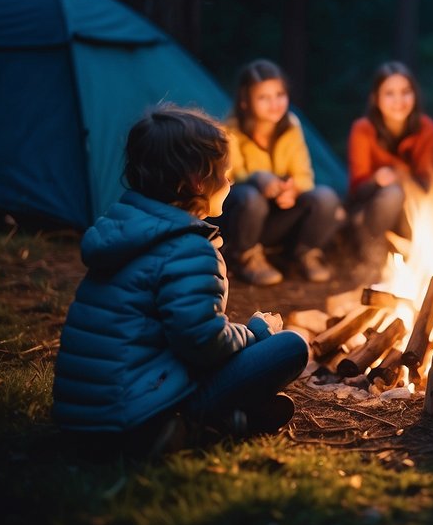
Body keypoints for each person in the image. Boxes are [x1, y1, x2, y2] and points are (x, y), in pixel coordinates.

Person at [52, 106, 309, 459]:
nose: (232, 183)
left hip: (81, 413)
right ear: (198, 182)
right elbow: (202, 344)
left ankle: (230, 421)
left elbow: (181, 334)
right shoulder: (187, 248)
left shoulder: (126, 230)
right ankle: (192, 427)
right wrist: (255, 332)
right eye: (227, 174)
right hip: (133, 415)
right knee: (291, 347)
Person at [217, 59, 342, 285]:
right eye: (264, 97)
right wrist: (257, 179)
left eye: (279, 94)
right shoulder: (230, 131)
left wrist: (293, 190)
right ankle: (244, 257)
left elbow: (304, 176)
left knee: (325, 197)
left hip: (277, 219)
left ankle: (304, 254)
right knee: (250, 197)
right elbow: (228, 183)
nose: (274, 103)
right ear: (245, 102)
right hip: (244, 219)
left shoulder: (291, 126)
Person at [347, 61, 433, 277]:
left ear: (415, 95)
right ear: (376, 98)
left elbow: (428, 181)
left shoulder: (426, 128)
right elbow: (356, 189)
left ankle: (417, 260)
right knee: (392, 194)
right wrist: (376, 180)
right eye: (390, 93)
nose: (399, 101)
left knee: (410, 196)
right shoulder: (363, 129)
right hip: (370, 210)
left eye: (405, 92)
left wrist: (401, 175)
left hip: (412, 206)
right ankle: (372, 257)